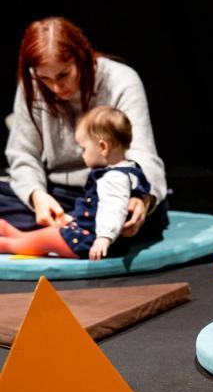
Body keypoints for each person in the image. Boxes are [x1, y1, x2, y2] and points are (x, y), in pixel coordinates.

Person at [3, 17, 168, 242]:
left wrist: (141, 198)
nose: (56, 87)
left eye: (63, 74)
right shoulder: (31, 85)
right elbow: (23, 154)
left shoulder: (121, 80)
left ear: (81, 58)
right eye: (45, 79)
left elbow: (142, 152)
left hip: (112, 189)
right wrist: (37, 196)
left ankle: (61, 233)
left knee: (131, 218)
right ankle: (72, 231)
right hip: (58, 193)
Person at [0, 106, 151, 259]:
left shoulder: (114, 178)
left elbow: (114, 209)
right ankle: (20, 237)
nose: (82, 155)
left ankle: (9, 245)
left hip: (91, 241)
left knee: (50, 238)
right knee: (54, 231)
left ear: (103, 147)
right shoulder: (131, 168)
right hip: (90, 229)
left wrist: (104, 238)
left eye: (83, 149)